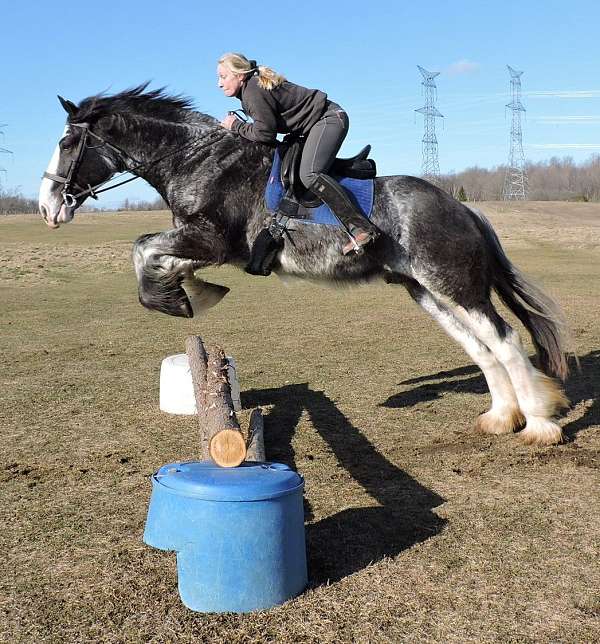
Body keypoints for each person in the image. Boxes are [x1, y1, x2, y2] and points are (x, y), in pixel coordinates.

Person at [217, 52, 378, 270]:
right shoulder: (250, 88)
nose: (219, 84)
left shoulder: (252, 91)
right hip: (314, 126)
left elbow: (265, 135)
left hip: (329, 119)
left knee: (309, 174)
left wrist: (234, 126)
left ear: (240, 75)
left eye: (223, 76)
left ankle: (360, 228)